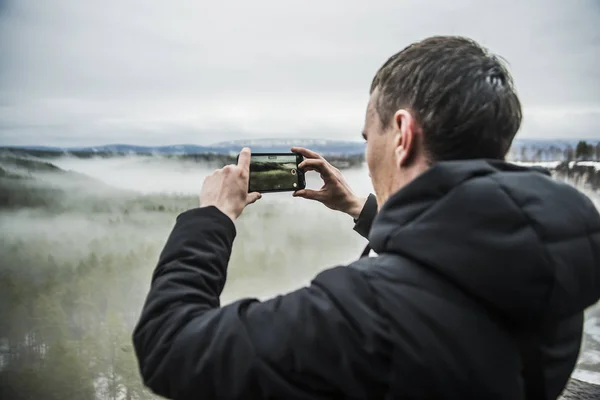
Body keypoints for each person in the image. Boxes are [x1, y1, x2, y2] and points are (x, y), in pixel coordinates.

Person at [132, 36, 600, 399]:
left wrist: (212, 218)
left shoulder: (364, 313)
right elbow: (462, 274)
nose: (368, 151)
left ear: (401, 133)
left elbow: (169, 346)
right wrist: (361, 209)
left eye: (366, 136)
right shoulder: (551, 263)